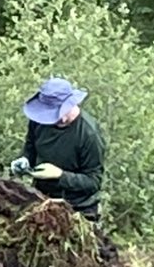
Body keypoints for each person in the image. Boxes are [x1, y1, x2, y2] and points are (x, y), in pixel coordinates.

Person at [10, 76, 106, 220]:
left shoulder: (88, 134)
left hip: (78, 209)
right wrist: (25, 159)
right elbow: (31, 146)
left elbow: (93, 182)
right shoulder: (39, 121)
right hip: (41, 199)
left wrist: (60, 175)